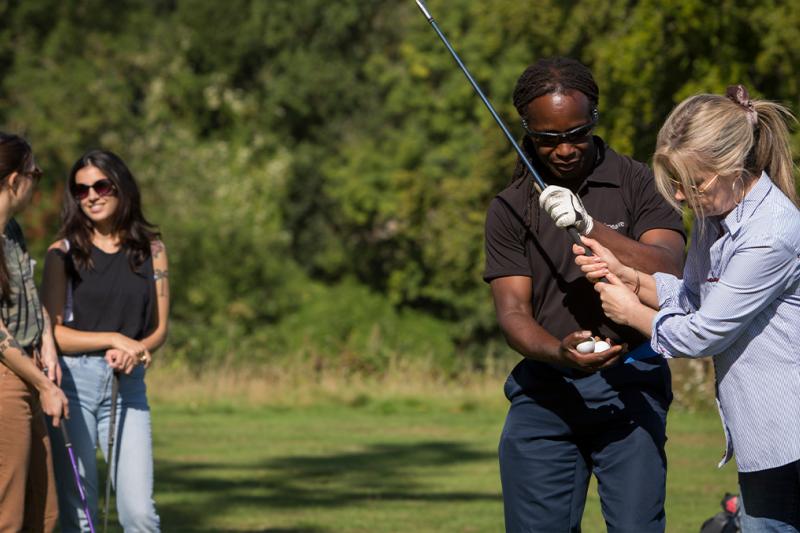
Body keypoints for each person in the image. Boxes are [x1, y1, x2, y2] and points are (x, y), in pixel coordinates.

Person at [575, 85, 800, 531]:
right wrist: (629, 277)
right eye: (676, 184)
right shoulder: (714, 219)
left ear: (733, 166)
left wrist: (629, 312)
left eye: (692, 184)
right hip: (769, 436)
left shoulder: (769, 234)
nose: (680, 197)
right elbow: (695, 299)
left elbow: (703, 333)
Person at [483, 57, 686, 532]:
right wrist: (558, 352)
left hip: (631, 385)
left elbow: (670, 270)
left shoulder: (639, 184)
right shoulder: (512, 207)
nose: (566, 149)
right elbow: (512, 312)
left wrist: (588, 225)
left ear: (594, 119)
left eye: (577, 133)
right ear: (528, 131)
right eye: (548, 139)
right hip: (545, 392)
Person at [42, 149, 169, 532]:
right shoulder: (60, 253)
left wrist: (137, 350)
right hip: (73, 386)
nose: (92, 196)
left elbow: (159, 329)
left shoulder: (153, 250)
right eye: (81, 190)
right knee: (81, 513)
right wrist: (115, 338)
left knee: (139, 513)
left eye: (101, 185)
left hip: (127, 388)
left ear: (121, 187)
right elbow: (53, 334)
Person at [0, 132, 69, 532]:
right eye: (34, 174)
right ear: (14, 180)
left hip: (30, 374)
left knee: (43, 512)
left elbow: (28, 292)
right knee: (8, 516)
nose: (36, 183)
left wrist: (46, 337)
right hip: (8, 380)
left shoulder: (13, 232)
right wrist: (43, 386)